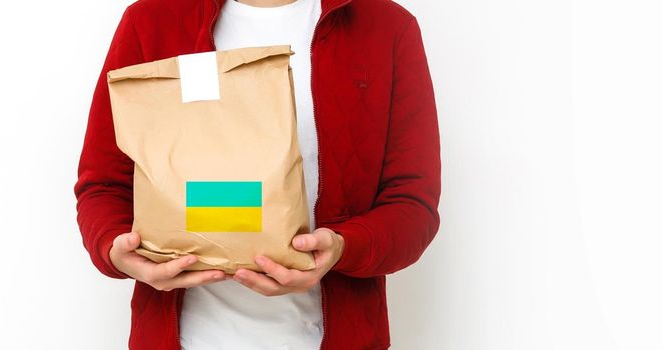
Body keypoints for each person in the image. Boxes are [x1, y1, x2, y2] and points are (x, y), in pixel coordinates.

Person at [74, 0, 440, 348]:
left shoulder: (386, 27)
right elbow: (103, 185)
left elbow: (412, 206)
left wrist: (343, 247)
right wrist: (114, 248)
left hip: (333, 338)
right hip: (186, 339)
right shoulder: (154, 20)